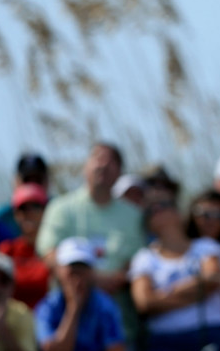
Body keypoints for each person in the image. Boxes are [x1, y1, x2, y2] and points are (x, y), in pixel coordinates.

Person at [35, 143, 144, 338]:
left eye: (112, 161)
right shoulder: (60, 207)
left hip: (117, 315)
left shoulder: (134, 215)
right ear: (85, 166)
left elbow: (137, 261)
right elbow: (49, 253)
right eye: (98, 158)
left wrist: (113, 280)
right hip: (67, 313)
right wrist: (90, 280)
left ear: (120, 172)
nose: (104, 165)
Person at [130, 199, 220, 351]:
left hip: (208, 334)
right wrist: (195, 295)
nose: (157, 211)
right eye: (151, 210)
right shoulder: (144, 258)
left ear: (178, 213)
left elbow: (212, 278)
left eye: (163, 205)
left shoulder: (206, 246)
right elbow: (144, 302)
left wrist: (164, 295)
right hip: (163, 341)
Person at [31, 237, 126, 351]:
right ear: (59, 271)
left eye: (82, 269)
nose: (76, 276)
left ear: (92, 272)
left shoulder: (106, 306)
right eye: (71, 269)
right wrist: (73, 309)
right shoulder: (47, 307)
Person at [0, 183, 51, 309]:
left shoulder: (55, 251)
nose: (29, 213)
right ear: (15, 215)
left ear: (45, 211)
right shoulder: (6, 250)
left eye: (35, 206)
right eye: (23, 208)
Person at [0, 153, 49, 240]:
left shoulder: (60, 213)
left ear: (47, 182)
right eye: (27, 180)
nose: (32, 186)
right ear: (16, 181)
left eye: (37, 180)